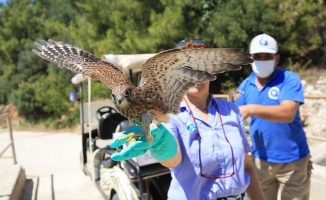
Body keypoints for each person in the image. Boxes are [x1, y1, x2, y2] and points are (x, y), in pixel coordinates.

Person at [110, 39, 265, 200]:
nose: (193, 76)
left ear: (210, 72)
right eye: (186, 69)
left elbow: (246, 166)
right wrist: (162, 147)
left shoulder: (231, 111)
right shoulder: (166, 115)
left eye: (199, 67)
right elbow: (172, 160)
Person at [234, 33, 311, 200]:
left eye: (267, 56)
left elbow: (288, 113)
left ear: (276, 58)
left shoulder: (289, 79)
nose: (262, 60)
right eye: (257, 56)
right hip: (260, 162)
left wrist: (251, 109)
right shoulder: (244, 86)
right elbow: (231, 115)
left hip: (293, 162)